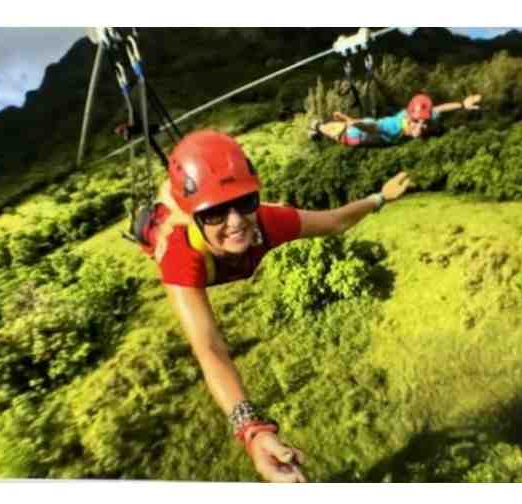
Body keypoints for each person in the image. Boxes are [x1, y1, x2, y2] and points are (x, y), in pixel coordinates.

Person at [135, 129, 414, 482]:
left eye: (246, 202)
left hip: (189, 208)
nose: (236, 222)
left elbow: (335, 221)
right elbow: (210, 350)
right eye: (215, 214)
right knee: (154, 224)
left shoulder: (266, 222)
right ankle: (164, 206)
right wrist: (253, 430)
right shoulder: (180, 254)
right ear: (194, 219)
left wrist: (379, 198)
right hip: (165, 229)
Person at [309, 93, 482, 147]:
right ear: (409, 120)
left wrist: (462, 104)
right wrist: (352, 122)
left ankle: (318, 127)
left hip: (362, 125)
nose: (422, 128)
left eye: (424, 124)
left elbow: (438, 109)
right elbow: (373, 127)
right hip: (353, 134)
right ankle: (316, 127)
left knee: (332, 126)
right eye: (418, 123)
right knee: (329, 129)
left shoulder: (417, 117)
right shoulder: (393, 127)